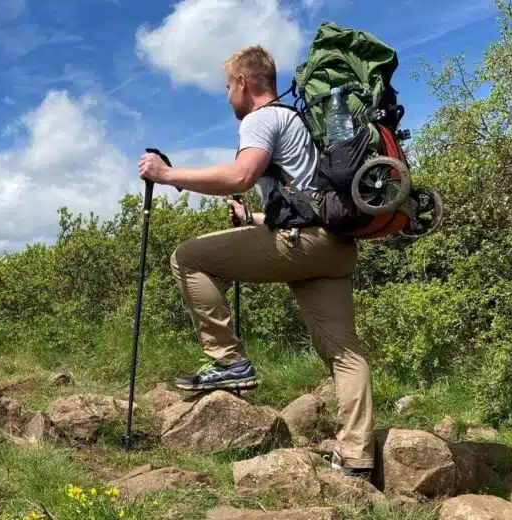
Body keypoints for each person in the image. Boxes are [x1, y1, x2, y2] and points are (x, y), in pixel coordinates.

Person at [137, 45, 375, 479]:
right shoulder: (302, 121)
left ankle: (228, 361)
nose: (227, 95)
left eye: (227, 86)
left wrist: (166, 174)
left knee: (188, 257)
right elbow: (305, 198)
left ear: (243, 83)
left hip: (299, 245)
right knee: (344, 352)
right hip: (334, 246)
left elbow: (240, 175)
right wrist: (255, 217)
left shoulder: (261, 118)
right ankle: (358, 459)